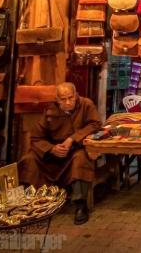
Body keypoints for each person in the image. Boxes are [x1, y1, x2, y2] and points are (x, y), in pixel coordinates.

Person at [18, 82, 101, 225]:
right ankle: (32, 202)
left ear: (76, 96)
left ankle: (80, 205)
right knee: (29, 159)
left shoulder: (86, 105)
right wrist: (51, 148)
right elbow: (37, 137)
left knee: (80, 159)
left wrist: (72, 139)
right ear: (57, 100)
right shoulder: (50, 110)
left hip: (75, 149)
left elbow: (95, 124)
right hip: (54, 153)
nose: (68, 102)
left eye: (70, 98)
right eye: (63, 99)